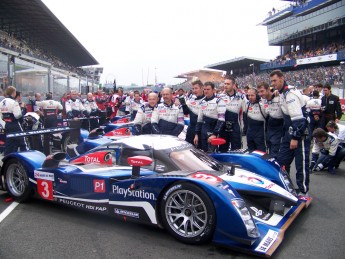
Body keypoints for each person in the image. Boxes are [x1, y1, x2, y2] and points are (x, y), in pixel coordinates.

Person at [270, 70, 310, 197]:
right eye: (271, 81)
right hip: (289, 132)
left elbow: (299, 120)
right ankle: (286, 186)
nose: (273, 84)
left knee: (301, 163)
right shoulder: (282, 93)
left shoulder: (290, 94)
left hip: (300, 132)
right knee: (282, 161)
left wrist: (295, 137)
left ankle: (303, 191)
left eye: (275, 81)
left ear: (282, 79)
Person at [194, 82, 226, 152]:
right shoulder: (202, 102)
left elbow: (221, 120)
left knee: (211, 155)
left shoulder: (219, 101)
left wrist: (215, 134)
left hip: (212, 132)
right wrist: (196, 134)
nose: (206, 91)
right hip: (203, 132)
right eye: (205, 89)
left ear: (213, 90)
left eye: (208, 89)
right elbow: (199, 120)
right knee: (203, 154)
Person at [219, 76, 247, 152]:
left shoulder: (241, 97)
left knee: (236, 150)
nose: (225, 86)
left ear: (233, 85)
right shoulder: (220, 97)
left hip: (236, 127)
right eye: (225, 84)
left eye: (228, 84)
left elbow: (247, 109)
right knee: (222, 149)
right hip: (223, 127)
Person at [257, 82, 283, 158]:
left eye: (262, 91)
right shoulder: (262, 100)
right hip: (268, 130)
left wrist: (278, 92)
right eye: (259, 92)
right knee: (269, 155)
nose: (260, 94)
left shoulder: (279, 97)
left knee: (276, 155)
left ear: (268, 89)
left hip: (279, 129)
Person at [0, 86, 28, 155]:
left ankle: (6, 160)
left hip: (7, 124)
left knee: (9, 144)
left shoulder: (2, 102)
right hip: (15, 124)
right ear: (14, 92)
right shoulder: (14, 102)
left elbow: (2, 116)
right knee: (23, 143)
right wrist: (22, 109)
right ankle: (27, 157)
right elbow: (18, 115)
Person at [179, 80, 205, 147]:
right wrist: (183, 104)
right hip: (191, 127)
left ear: (202, 88)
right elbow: (186, 113)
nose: (194, 90)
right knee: (188, 148)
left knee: (201, 149)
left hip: (202, 128)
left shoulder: (207, 99)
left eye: (196, 88)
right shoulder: (191, 99)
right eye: (193, 89)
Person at [244, 88, 267, 152]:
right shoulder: (247, 104)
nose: (250, 97)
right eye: (249, 95)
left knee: (261, 152)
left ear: (257, 95)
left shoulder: (262, 105)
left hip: (260, 133)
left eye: (252, 95)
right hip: (249, 132)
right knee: (251, 152)